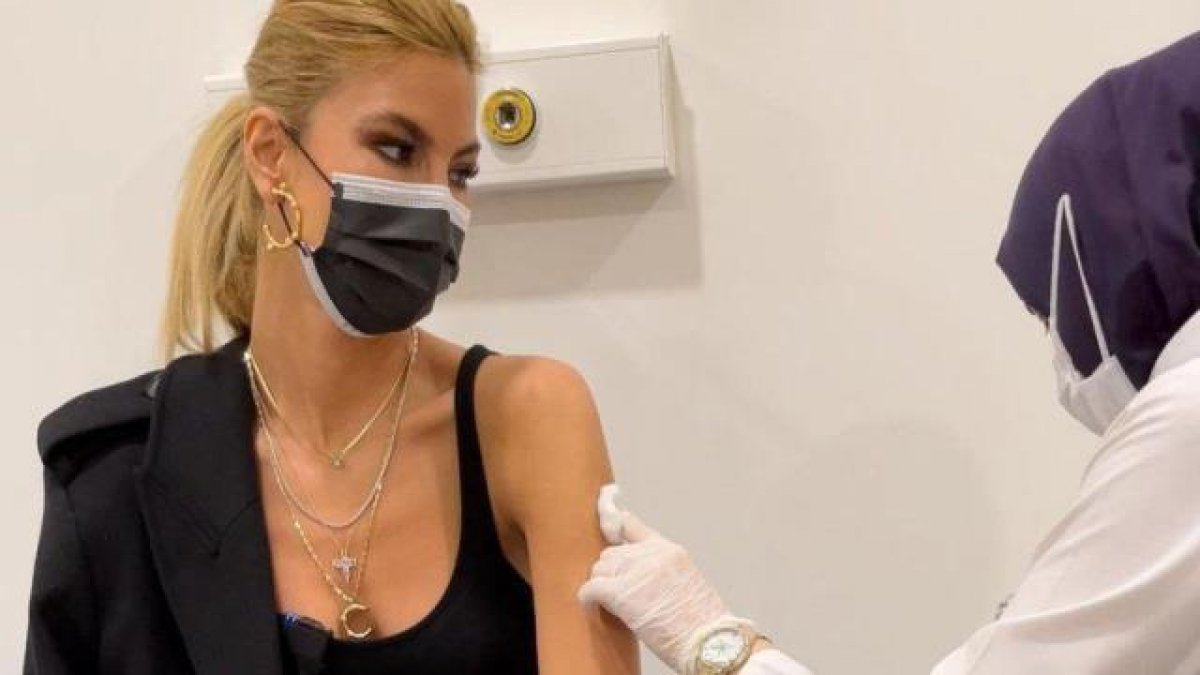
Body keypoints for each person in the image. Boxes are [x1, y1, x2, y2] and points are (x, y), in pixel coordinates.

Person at [22, 1, 638, 673]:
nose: (437, 203)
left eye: (460, 173)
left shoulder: (526, 419)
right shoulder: (114, 470)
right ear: (271, 155)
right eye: (397, 150)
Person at [580, 31, 1200, 675]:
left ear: (1115, 252)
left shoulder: (1187, 420)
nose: (1062, 357)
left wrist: (709, 639)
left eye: (1048, 311)